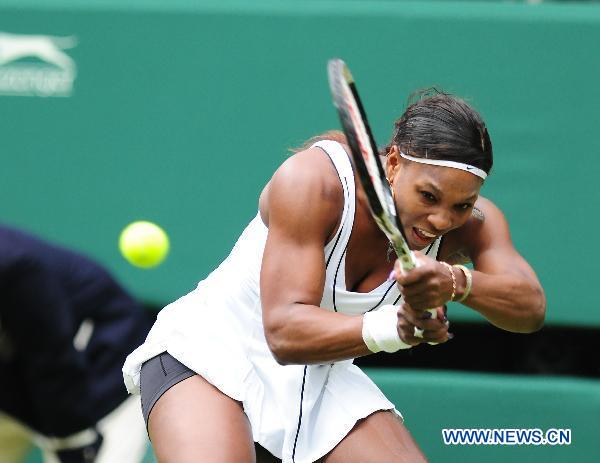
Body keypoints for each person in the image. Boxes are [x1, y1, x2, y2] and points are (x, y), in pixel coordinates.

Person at [123, 90, 546, 463]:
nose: (441, 220)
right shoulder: (315, 181)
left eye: (460, 205)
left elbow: (529, 308)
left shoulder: (470, 224)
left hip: (320, 378)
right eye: (429, 196)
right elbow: (286, 333)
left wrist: (456, 281)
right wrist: (397, 327)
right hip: (210, 354)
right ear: (394, 162)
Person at [0, 224, 154, 463]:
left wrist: (75, 441)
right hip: (18, 385)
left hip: (102, 375)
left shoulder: (14, 266)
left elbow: (53, 360)